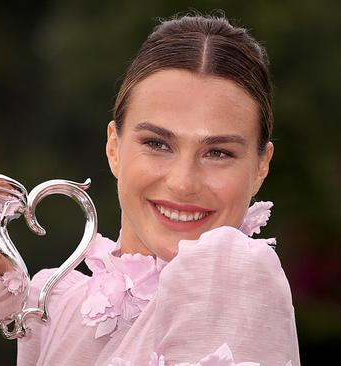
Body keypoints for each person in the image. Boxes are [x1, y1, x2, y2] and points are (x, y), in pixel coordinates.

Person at [17, 14, 300, 366]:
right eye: (157, 144)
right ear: (113, 148)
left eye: (218, 152)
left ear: (261, 166)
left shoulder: (234, 271)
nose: (183, 182)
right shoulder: (52, 304)